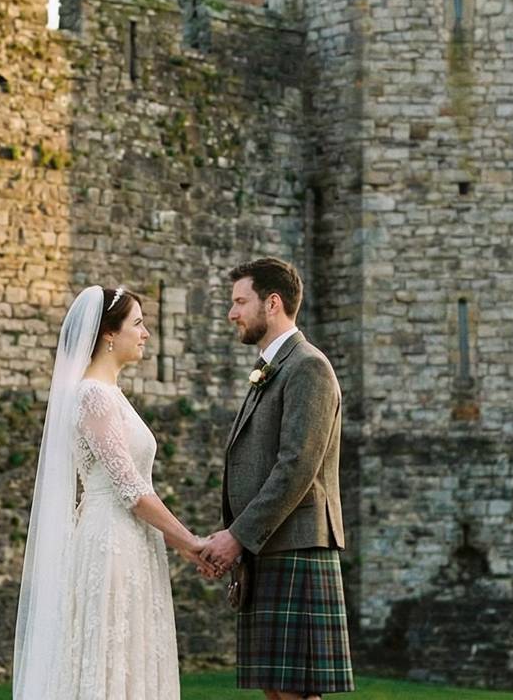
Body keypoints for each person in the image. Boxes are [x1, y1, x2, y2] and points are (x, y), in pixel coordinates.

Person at [12, 285, 208, 699]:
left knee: (131, 657)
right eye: (138, 323)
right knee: (108, 658)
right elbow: (130, 488)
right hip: (111, 542)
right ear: (109, 335)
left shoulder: (111, 395)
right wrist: (189, 541)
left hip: (131, 540)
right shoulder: (93, 396)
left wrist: (178, 541)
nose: (146, 333)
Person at [200, 257, 354, 698]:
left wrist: (237, 537)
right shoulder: (274, 367)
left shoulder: (308, 366)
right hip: (270, 544)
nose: (231, 313)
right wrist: (235, 536)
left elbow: (297, 466)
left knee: (295, 694)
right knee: (277, 690)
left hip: (296, 544)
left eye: (239, 302)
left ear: (272, 304)